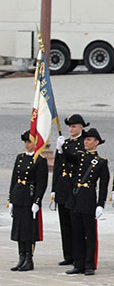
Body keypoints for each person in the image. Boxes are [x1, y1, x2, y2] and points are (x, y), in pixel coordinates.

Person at [66, 127, 109, 276]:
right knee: (76, 233)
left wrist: (100, 204)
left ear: (96, 142)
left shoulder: (101, 162)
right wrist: (61, 148)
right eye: (85, 139)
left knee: (89, 234)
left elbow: (103, 186)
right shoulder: (79, 157)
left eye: (89, 140)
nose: (86, 142)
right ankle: (78, 264)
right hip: (76, 199)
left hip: (89, 199)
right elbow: (68, 157)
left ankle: (89, 264)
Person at [8, 134, 49, 271]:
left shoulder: (40, 160)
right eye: (25, 142)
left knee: (29, 230)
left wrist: (37, 201)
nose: (27, 145)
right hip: (19, 195)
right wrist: (11, 200)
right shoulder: (20, 158)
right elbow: (14, 178)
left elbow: (41, 183)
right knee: (19, 229)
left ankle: (29, 258)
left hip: (30, 197)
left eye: (29, 142)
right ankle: (21, 257)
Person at [53, 114, 88, 266]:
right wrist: (54, 188)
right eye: (70, 126)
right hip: (63, 186)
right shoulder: (65, 143)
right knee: (65, 223)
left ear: (81, 127)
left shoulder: (84, 143)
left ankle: (78, 255)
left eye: (74, 126)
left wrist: (62, 151)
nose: (71, 129)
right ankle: (68, 254)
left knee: (75, 224)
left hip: (75, 186)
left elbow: (77, 160)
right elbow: (57, 167)